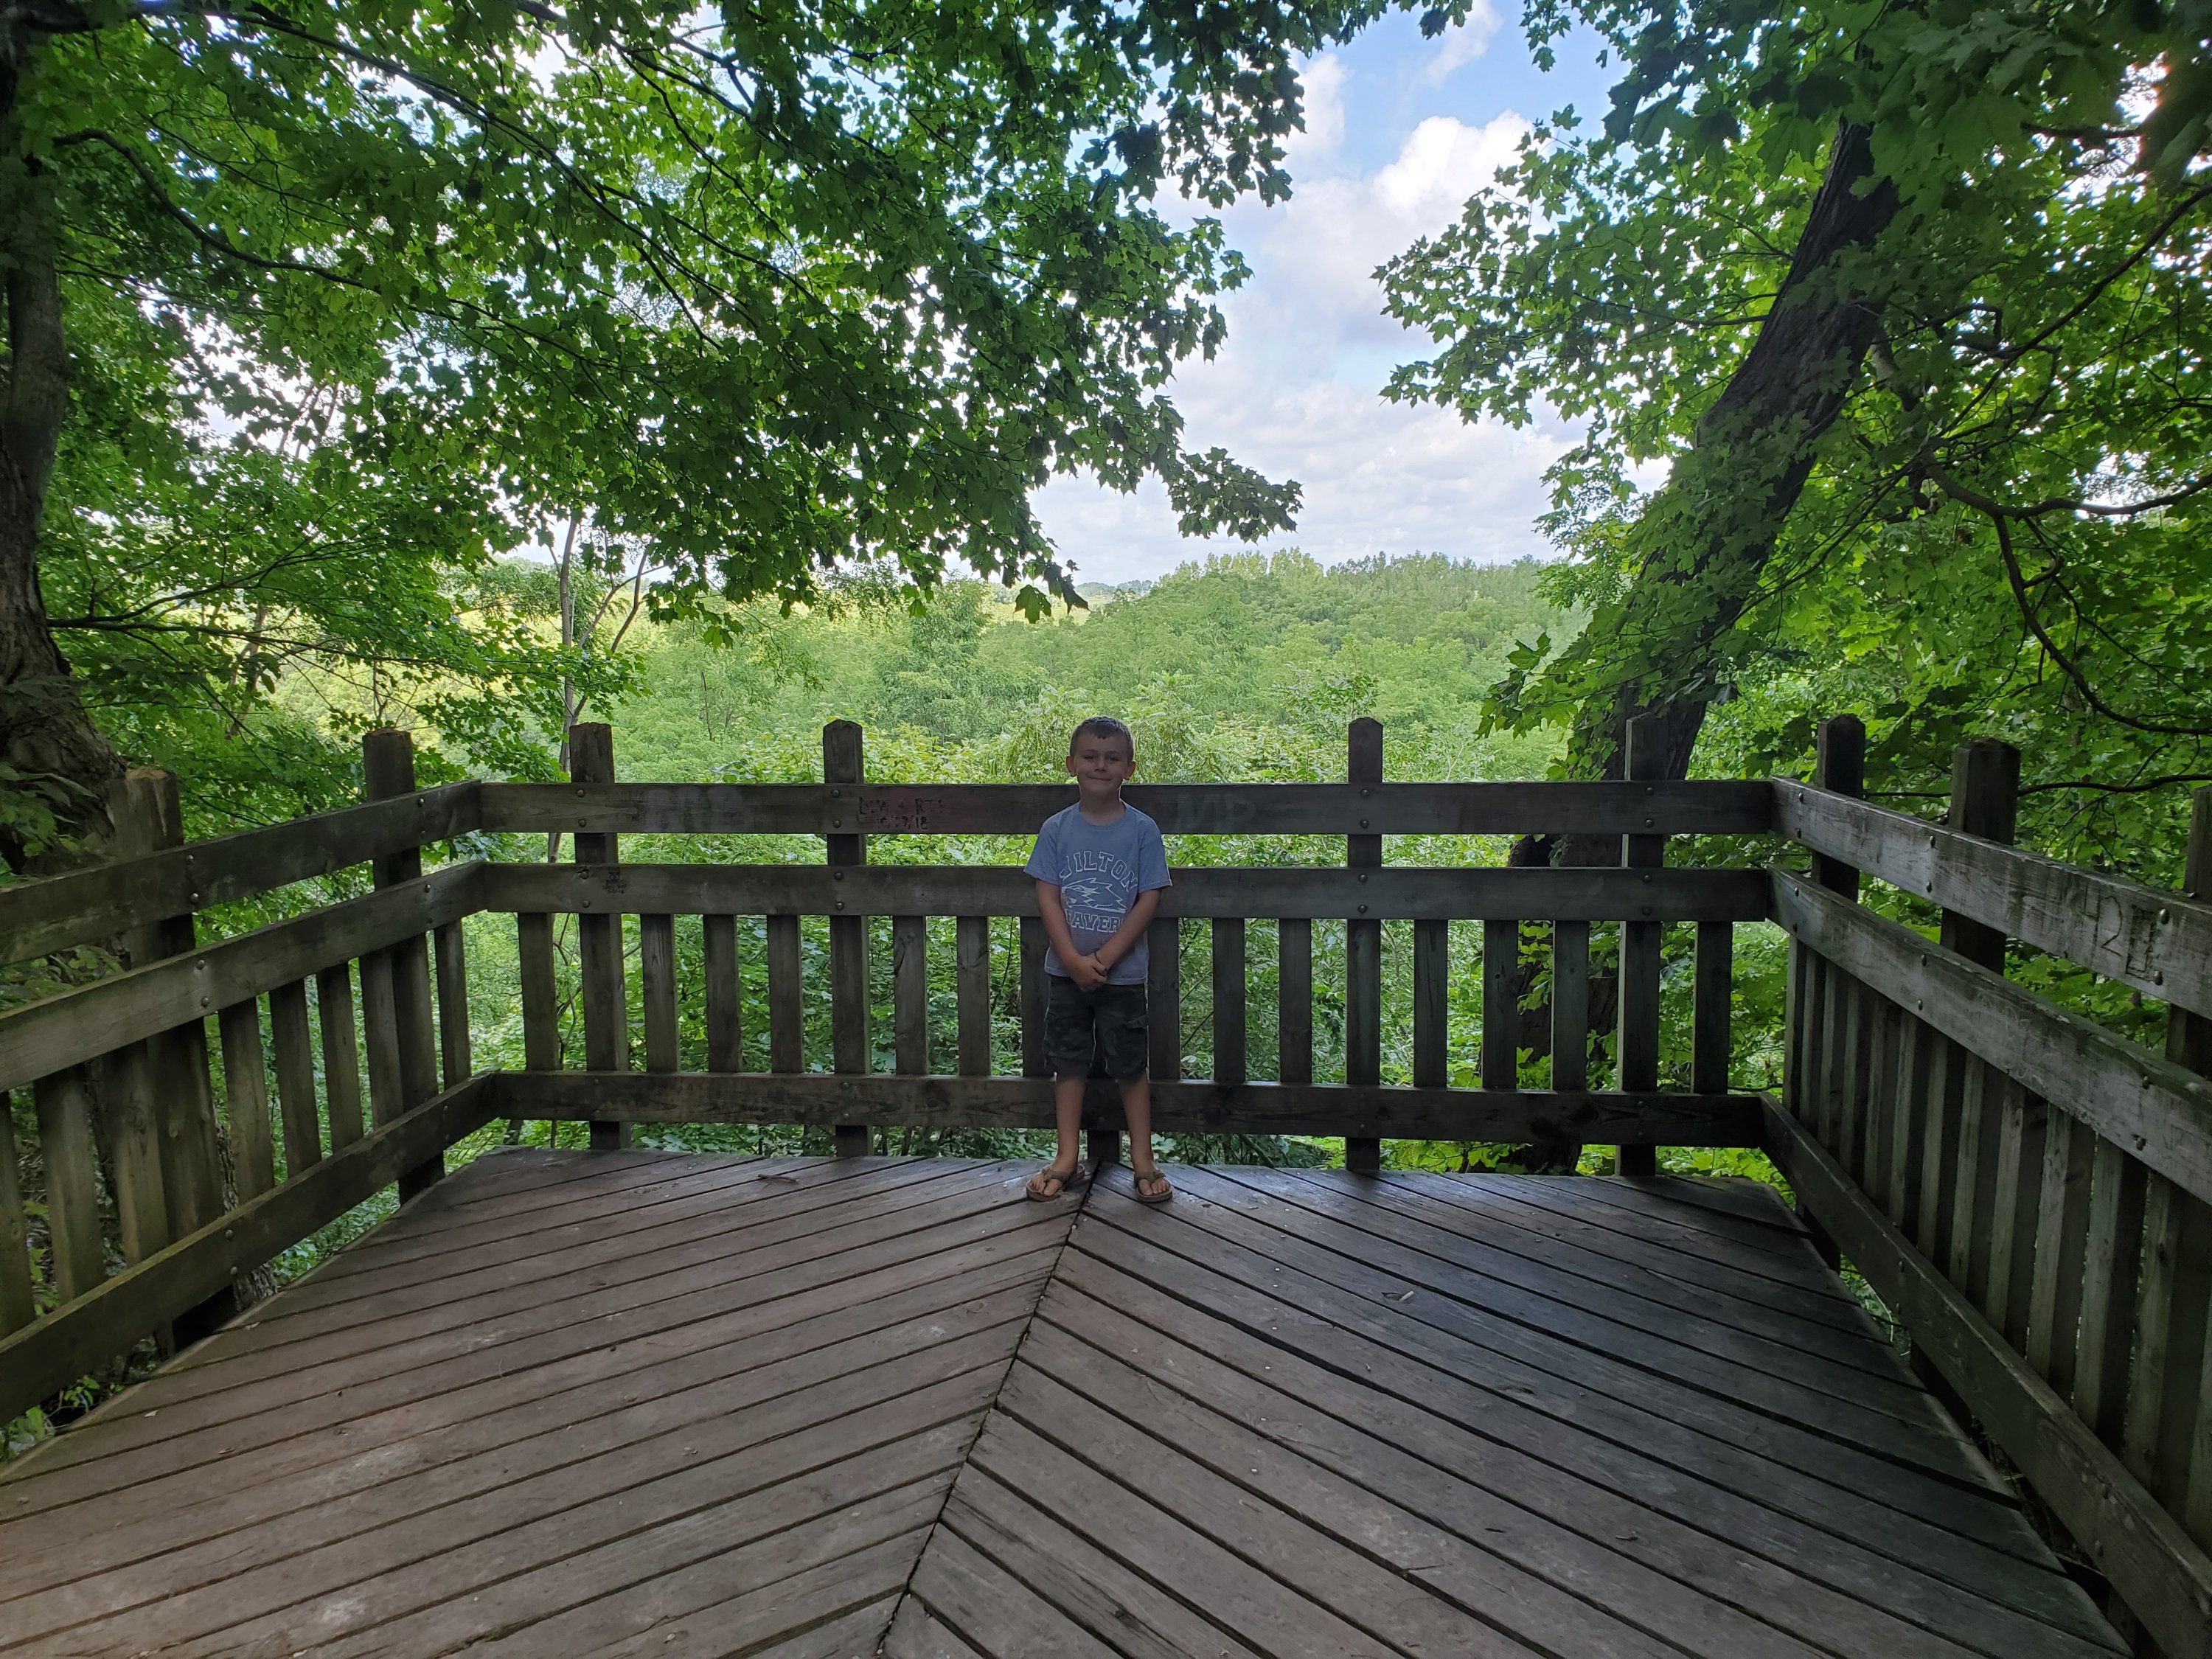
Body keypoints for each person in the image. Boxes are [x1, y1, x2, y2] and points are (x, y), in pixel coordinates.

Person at [1023, 716, 1174, 1203]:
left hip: (1123, 976)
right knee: (1068, 1064)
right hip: (1065, 975)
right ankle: (1067, 1157)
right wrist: (1071, 959)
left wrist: (1105, 958)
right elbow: (1047, 896)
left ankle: (1143, 1160)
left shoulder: (1142, 830)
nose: (1101, 766)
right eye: (1090, 757)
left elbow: (1149, 898)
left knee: (1130, 1066)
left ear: (1130, 768)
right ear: (1072, 765)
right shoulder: (1056, 829)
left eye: (1112, 759)